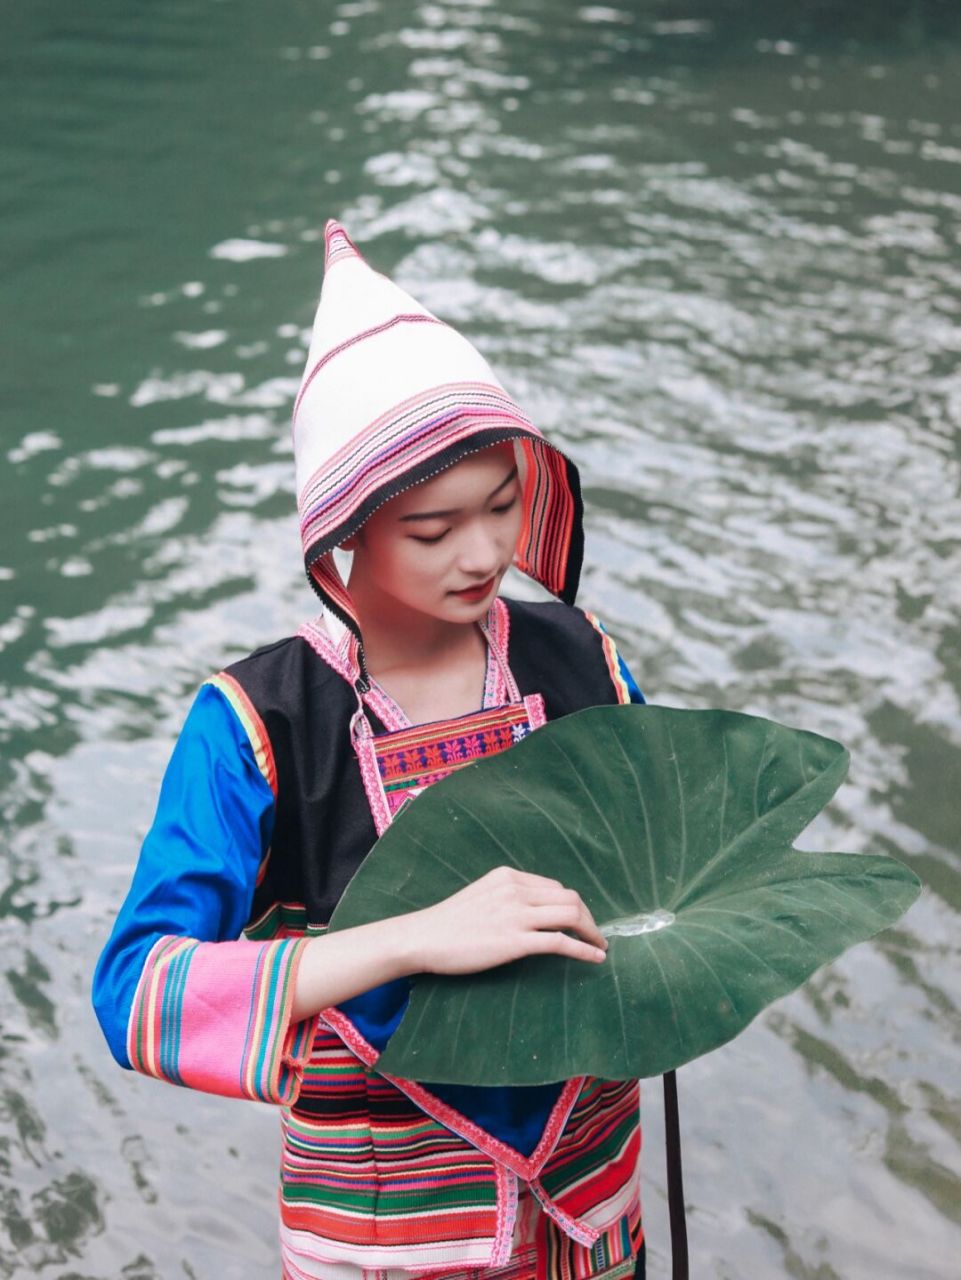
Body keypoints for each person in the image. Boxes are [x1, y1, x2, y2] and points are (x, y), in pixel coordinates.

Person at [93, 220, 648, 1280]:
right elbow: (138, 989)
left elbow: (665, 867)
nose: (483, 551)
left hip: (589, 1193)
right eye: (433, 530)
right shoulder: (259, 723)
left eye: (499, 505)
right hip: (388, 1224)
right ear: (342, 537)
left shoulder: (580, 657)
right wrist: (410, 938)